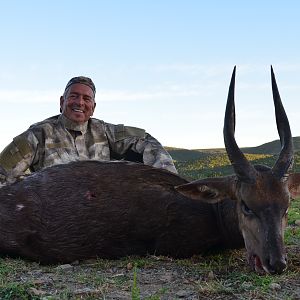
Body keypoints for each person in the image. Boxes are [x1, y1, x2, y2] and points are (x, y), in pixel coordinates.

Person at [0, 76, 177, 184]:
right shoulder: (38, 135)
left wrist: (169, 181)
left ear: (93, 107)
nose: (80, 103)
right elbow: (2, 173)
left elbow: (146, 140)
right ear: (62, 102)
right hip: (53, 221)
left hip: (102, 215)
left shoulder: (105, 131)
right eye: (74, 96)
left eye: (86, 98)